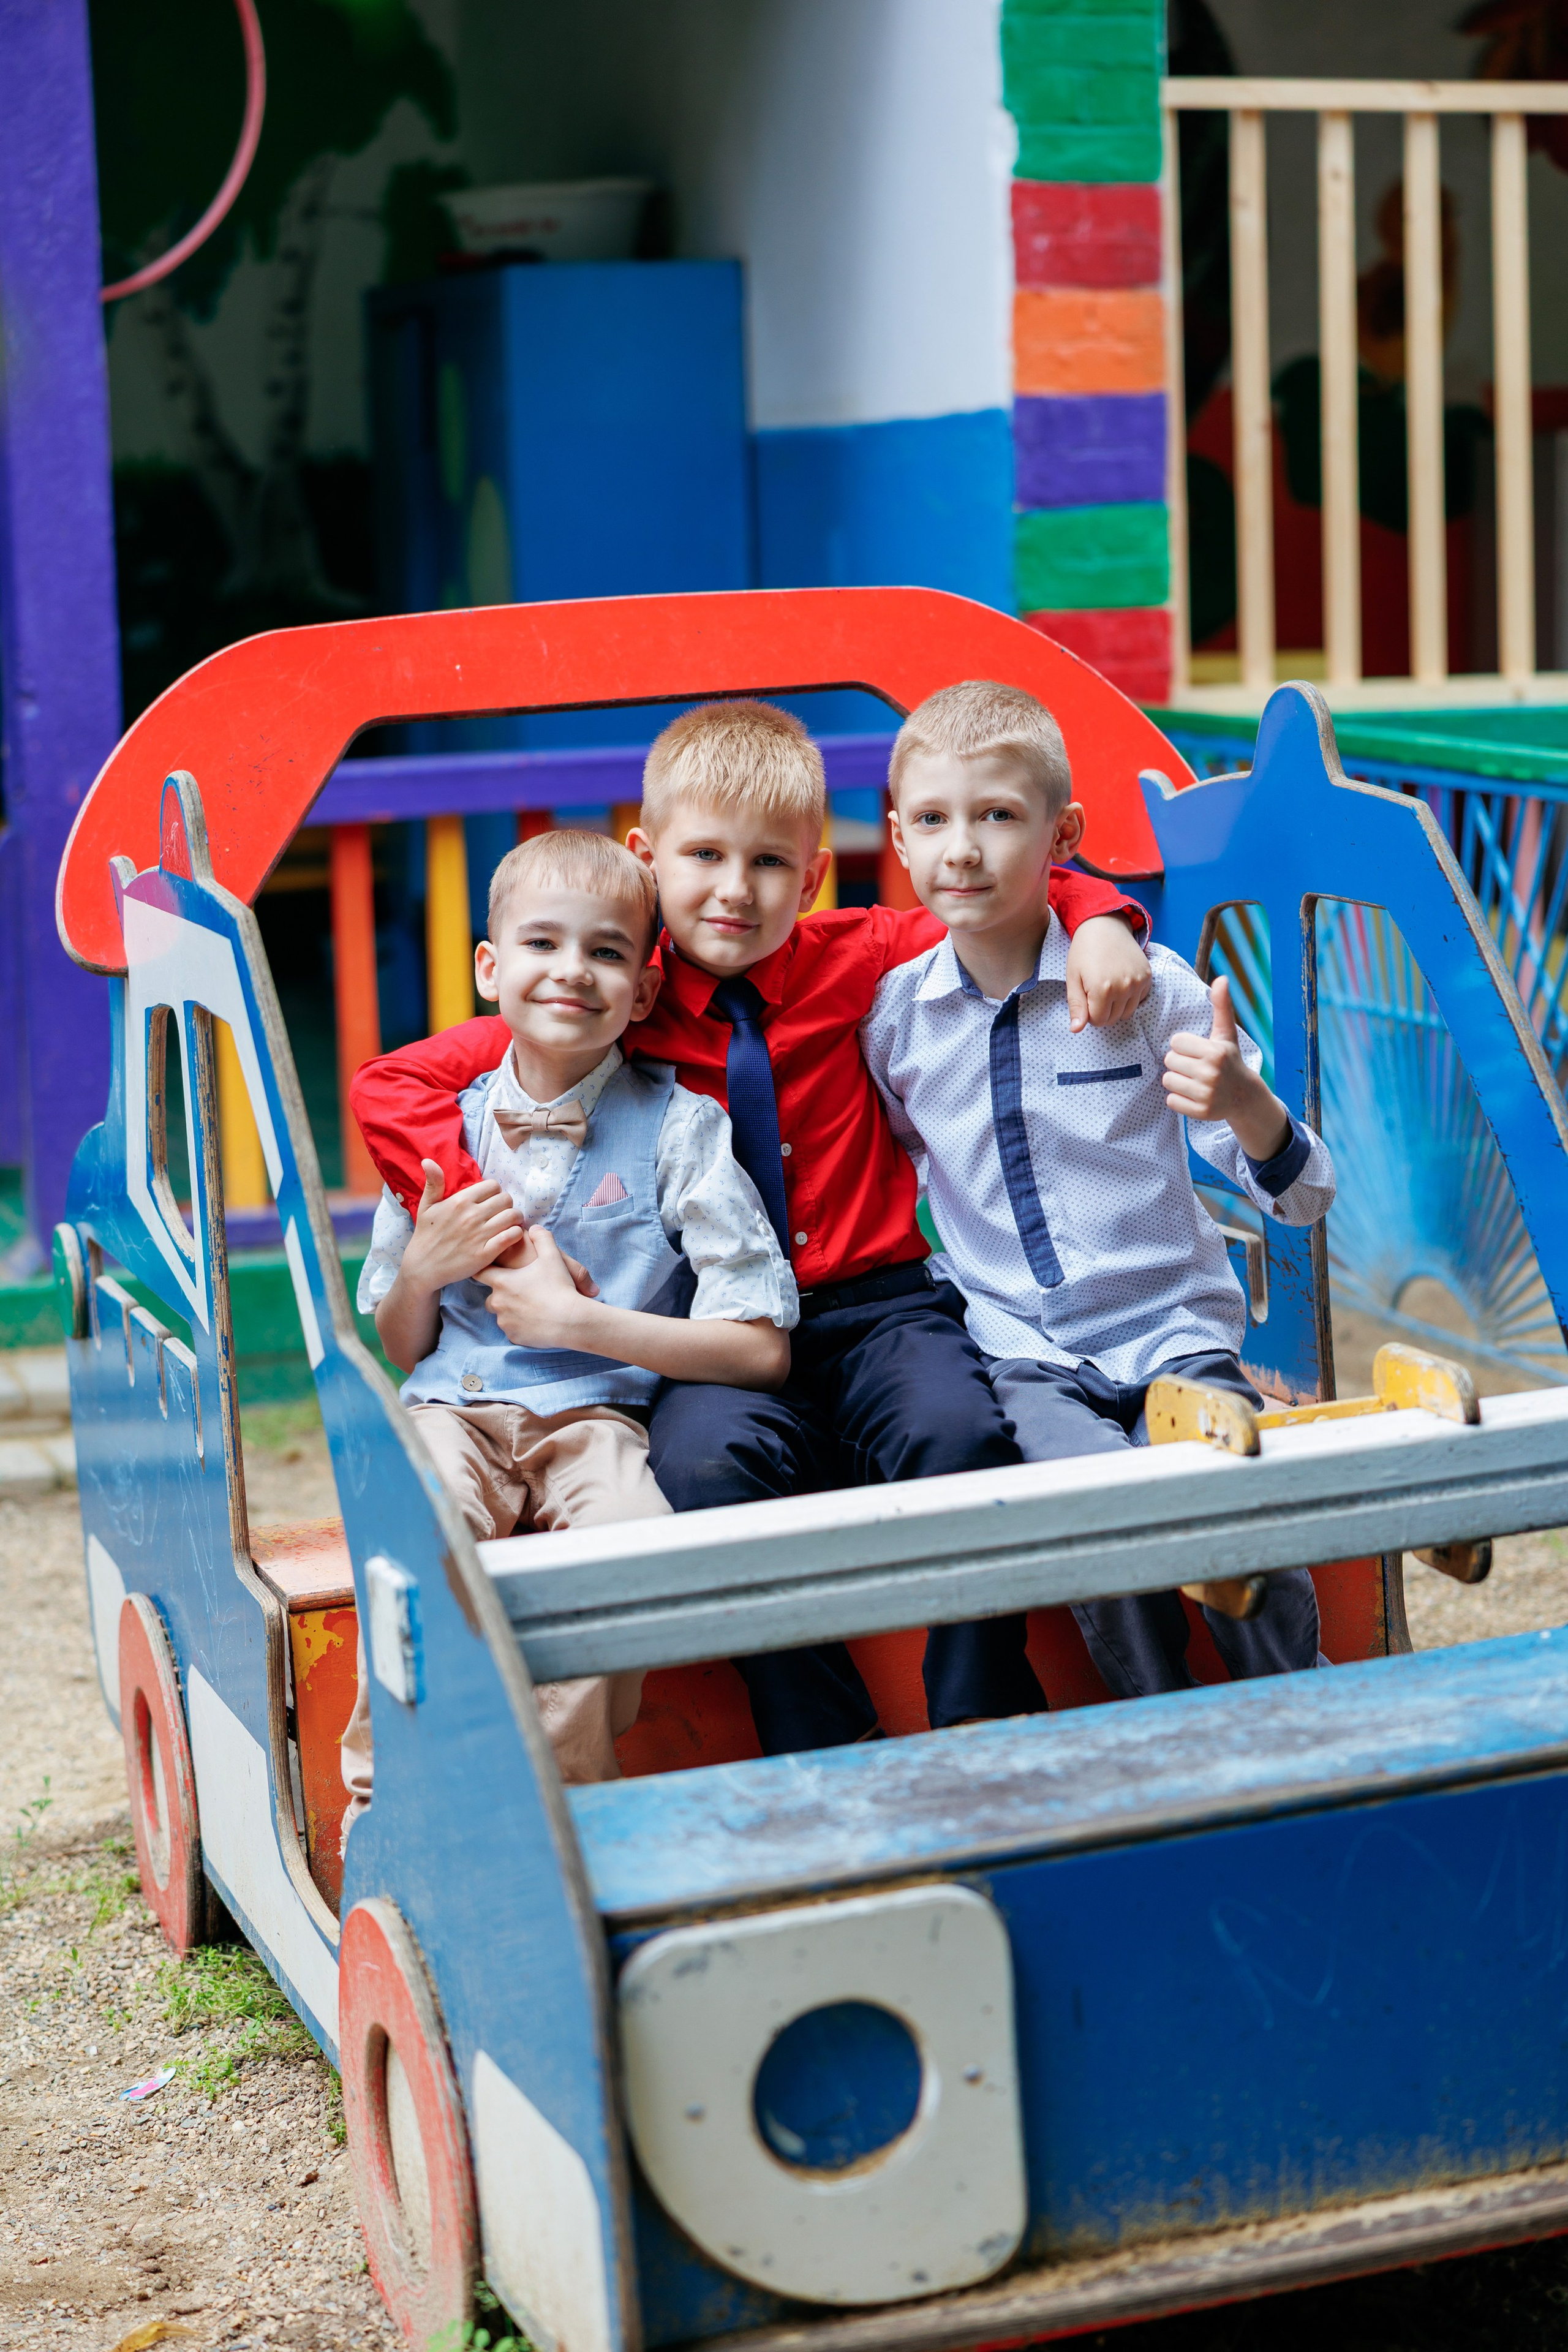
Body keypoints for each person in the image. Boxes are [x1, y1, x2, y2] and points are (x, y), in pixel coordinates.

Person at [349, 698, 1154, 1753]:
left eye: (771, 864)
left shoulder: (858, 956)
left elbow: (995, 893)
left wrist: (1098, 917)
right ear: (649, 861)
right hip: (707, 1329)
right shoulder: (612, 994)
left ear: (811, 878)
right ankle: (821, 1741)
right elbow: (392, 1082)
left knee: (958, 1431)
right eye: (704, 857)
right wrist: (499, 1232)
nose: (735, 890)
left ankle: (980, 1719)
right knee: (698, 1470)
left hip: (876, 1305)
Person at [858, 680, 1335, 1698]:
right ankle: (1156, 1731)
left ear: (1062, 831)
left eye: (998, 815)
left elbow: (1305, 1198)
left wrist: (1247, 1102)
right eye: (934, 821)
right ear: (898, 840)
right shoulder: (896, 1020)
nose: (965, 850)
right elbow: (904, 1158)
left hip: (1170, 1329)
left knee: (1239, 1501)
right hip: (1025, 1351)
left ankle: (1305, 1714)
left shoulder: (1150, 988)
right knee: (1094, 1517)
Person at [341, 826, 797, 1831]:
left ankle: (561, 1810)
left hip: (599, 1415)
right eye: (543, 945)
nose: (572, 972)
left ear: (642, 991)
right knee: (422, 1529)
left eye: (607, 952)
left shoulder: (681, 1126)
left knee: (629, 1546)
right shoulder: (437, 1131)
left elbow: (760, 1334)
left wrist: (589, 1322)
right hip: (453, 1408)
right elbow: (402, 1342)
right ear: (489, 968)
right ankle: (395, 1799)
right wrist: (422, 1270)